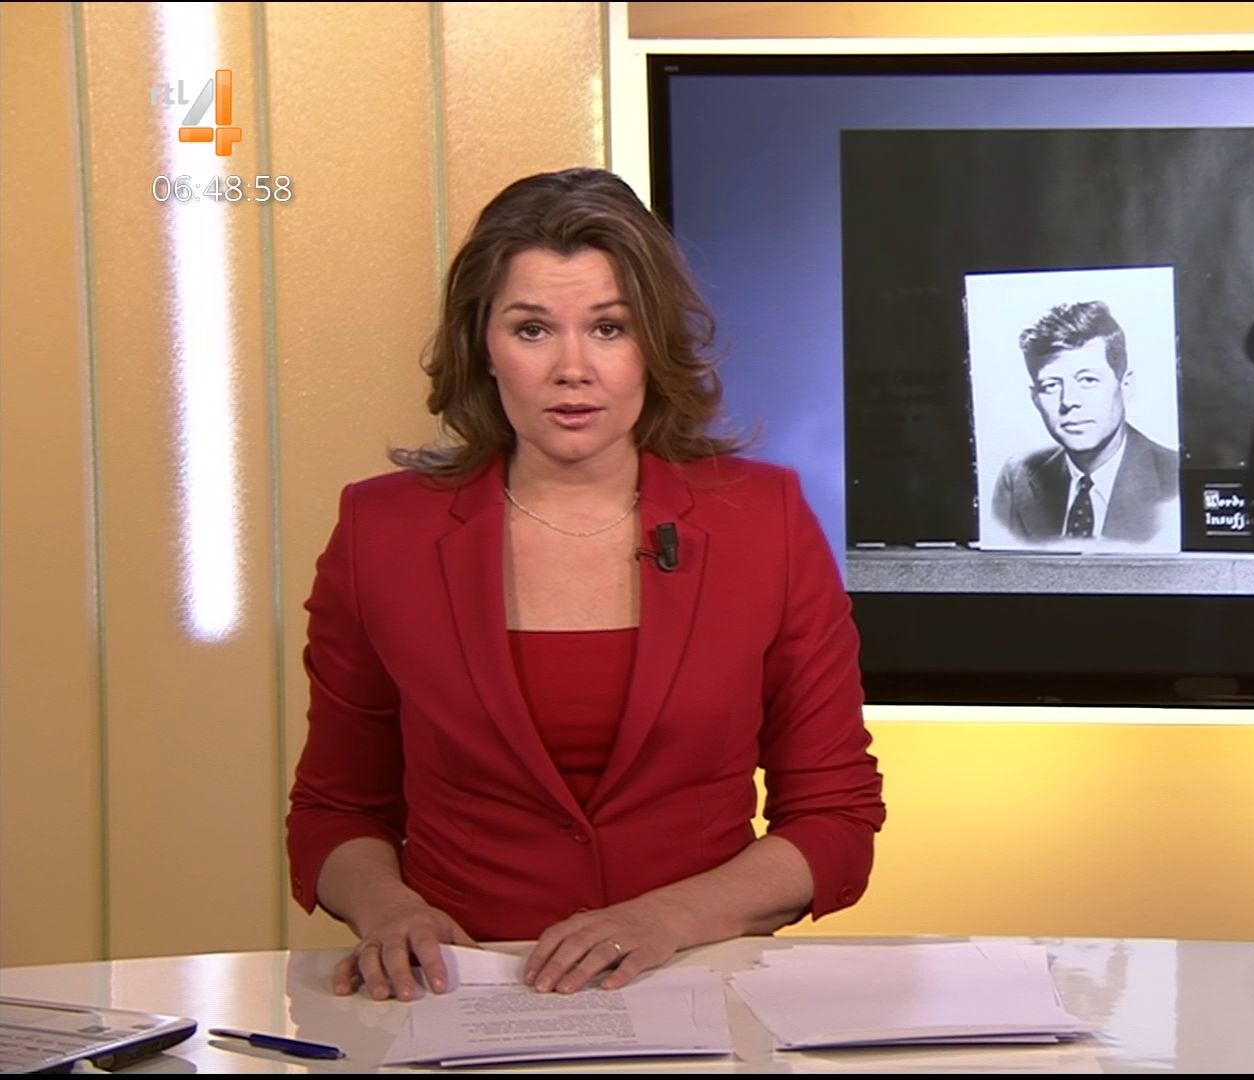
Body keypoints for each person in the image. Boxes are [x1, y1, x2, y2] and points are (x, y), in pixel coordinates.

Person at [285, 167, 885, 1003]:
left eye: (609, 328)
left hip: (695, 985)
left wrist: (662, 921)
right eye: (532, 329)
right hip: (461, 994)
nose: (573, 368)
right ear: (483, 347)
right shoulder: (381, 532)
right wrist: (391, 911)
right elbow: (336, 809)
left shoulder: (765, 520)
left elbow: (834, 816)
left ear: (653, 344)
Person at [989, 300, 1180, 548]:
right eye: (1051, 385)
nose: (1069, 401)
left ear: (1125, 386)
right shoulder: (1017, 478)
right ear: (1035, 398)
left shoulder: (1175, 479)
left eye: (1088, 380)